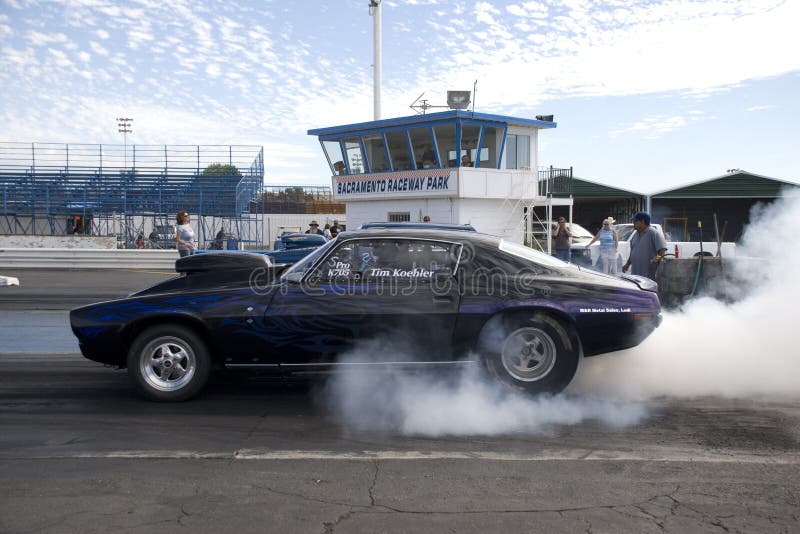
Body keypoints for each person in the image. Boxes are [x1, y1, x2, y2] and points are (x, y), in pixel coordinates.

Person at [622, 212, 667, 280]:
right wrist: (627, 264)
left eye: (635, 221)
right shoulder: (635, 235)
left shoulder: (653, 232)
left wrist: (658, 257)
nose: (633, 223)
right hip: (636, 273)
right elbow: (632, 252)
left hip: (648, 274)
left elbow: (662, 249)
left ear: (642, 221)